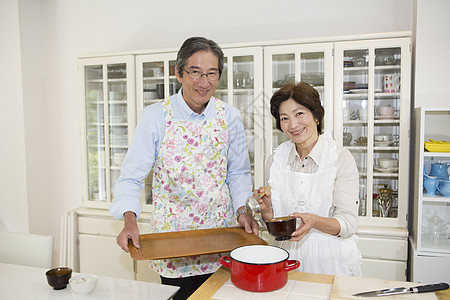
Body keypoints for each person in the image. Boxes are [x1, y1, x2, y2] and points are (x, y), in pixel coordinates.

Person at [109, 37, 258, 299]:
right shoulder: (156, 117)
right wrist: (129, 220)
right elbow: (132, 177)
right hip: (173, 244)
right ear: (179, 73)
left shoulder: (229, 117)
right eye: (195, 72)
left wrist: (243, 210)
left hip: (220, 239)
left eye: (212, 73)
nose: (204, 82)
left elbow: (238, 174)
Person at [255, 81, 362, 276]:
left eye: (299, 114)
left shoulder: (339, 158)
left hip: (330, 261)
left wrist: (315, 222)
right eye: (284, 118)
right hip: (286, 259)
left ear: (317, 115)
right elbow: (273, 225)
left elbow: (348, 224)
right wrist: (267, 209)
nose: (293, 125)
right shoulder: (276, 160)